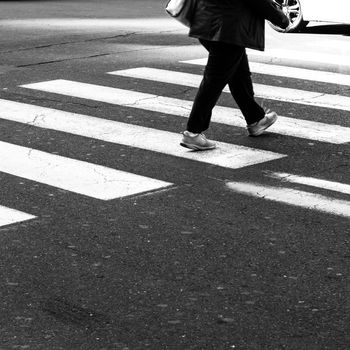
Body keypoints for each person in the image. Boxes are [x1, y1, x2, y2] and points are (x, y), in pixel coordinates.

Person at [180, 0, 290, 151]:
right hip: (229, 29)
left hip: (206, 21)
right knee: (214, 81)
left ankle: (256, 119)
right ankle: (193, 132)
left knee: (239, 74)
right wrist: (280, 18)